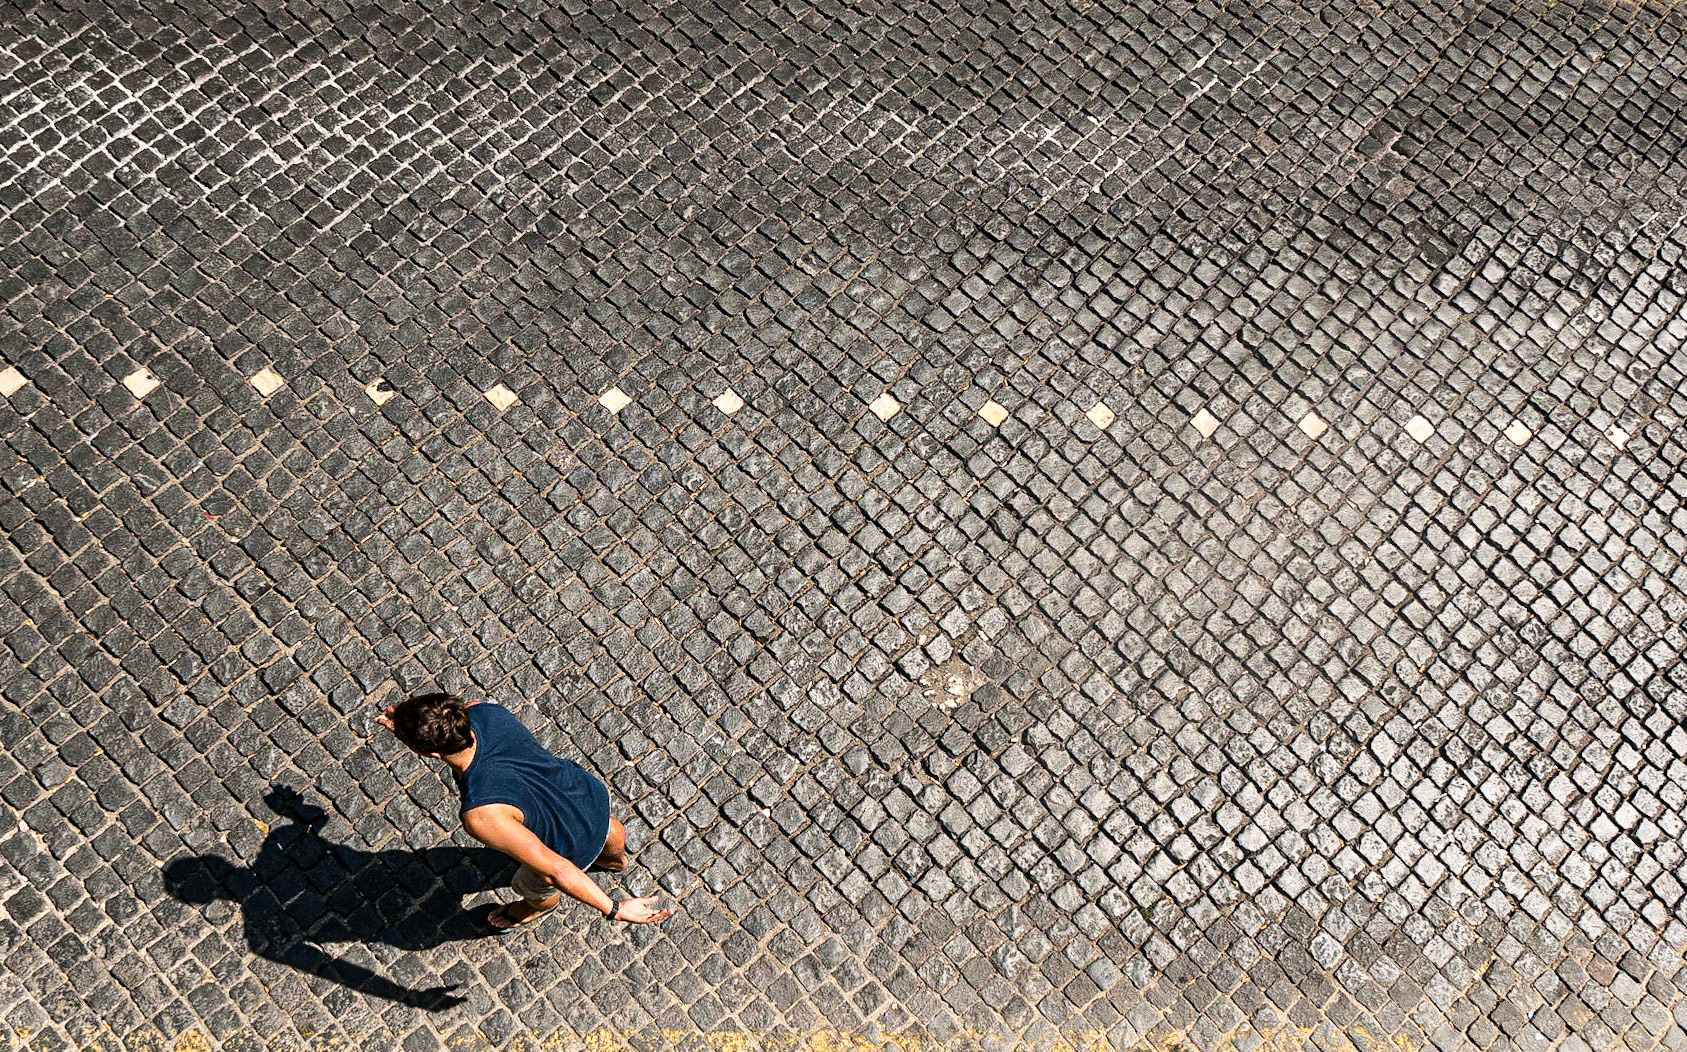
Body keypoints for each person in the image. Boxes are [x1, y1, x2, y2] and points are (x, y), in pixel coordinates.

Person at [377, 693, 674, 929]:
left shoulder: (480, 814)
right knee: (607, 828)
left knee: (534, 884)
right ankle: (615, 860)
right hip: (586, 795)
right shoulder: (486, 711)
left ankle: (533, 908)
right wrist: (409, 721)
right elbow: (448, 717)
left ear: (430, 754)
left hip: (567, 848)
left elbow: (556, 869)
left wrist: (615, 909)